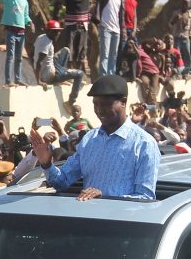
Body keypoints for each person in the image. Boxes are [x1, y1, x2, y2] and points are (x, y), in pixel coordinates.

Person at [28, 74, 160, 200]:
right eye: (96, 104)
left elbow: (145, 198)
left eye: (106, 104)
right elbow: (61, 182)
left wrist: (105, 197)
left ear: (123, 102)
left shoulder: (144, 144)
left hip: (122, 222)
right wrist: (46, 163)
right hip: (88, 220)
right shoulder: (89, 140)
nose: (99, 110)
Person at [34, 20, 84, 114]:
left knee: (66, 50)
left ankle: (62, 79)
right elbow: (39, 62)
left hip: (50, 67)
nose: (57, 33)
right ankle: (70, 102)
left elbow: (36, 56)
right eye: (54, 31)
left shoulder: (41, 37)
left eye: (58, 31)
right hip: (50, 75)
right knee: (79, 74)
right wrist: (39, 80)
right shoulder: (47, 43)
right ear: (47, 31)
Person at [0, 0, 33, 86]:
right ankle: (8, 81)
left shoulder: (24, 1)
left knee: (19, 57)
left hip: (21, 33)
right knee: (10, 56)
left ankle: (18, 79)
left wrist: (30, 23)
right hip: (10, 31)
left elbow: (25, 16)